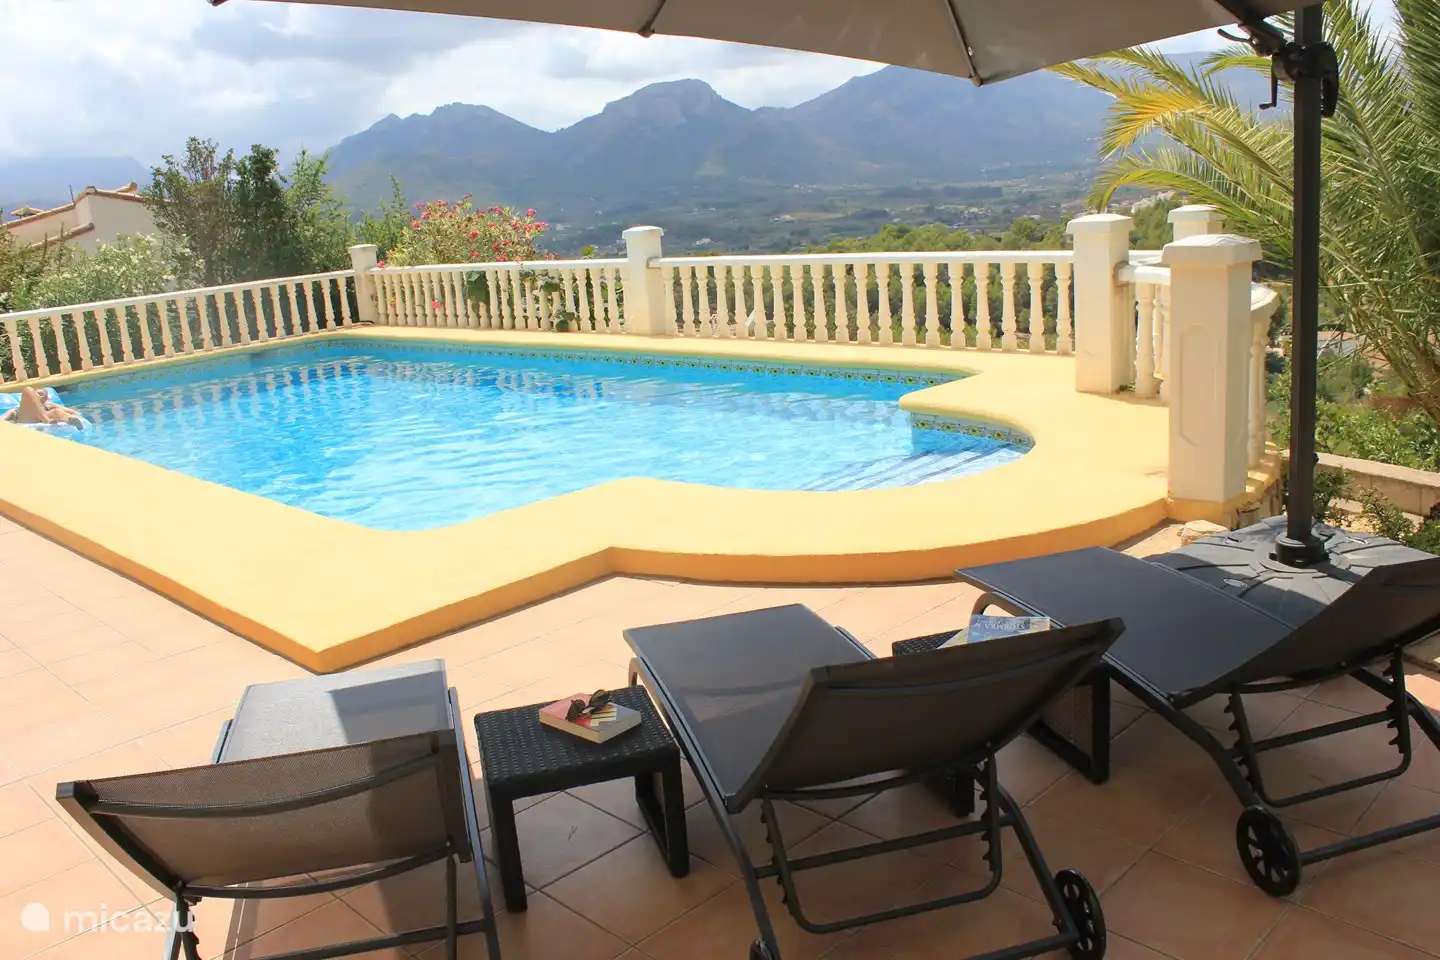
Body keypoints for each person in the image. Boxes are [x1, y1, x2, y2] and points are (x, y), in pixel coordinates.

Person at [1, 387, 84, 428]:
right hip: (27, 420)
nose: (38, 397)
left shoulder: (49, 406)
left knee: (57, 411)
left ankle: (71, 423)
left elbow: (74, 412)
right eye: (36, 394)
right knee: (28, 389)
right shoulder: (15, 410)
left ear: (46, 398)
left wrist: (75, 416)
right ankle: (47, 421)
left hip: (43, 419)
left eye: (42, 395)